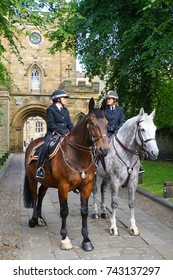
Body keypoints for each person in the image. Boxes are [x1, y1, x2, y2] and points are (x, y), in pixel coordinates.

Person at [36, 89, 74, 179]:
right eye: (64, 98)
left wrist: (74, 132)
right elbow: (51, 124)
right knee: (45, 146)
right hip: (53, 133)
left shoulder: (65, 110)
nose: (66, 99)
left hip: (65, 134)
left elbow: (69, 124)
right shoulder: (50, 109)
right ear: (58, 99)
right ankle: (40, 168)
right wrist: (62, 132)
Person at [105, 90, 144, 173]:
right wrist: (110, 129)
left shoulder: (120, 110)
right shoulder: (104, 110)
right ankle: (97, 163)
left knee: (129, 145)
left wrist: (118, 129)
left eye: (109, 98)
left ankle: (137, 165)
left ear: (114, 100)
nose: (107, 100)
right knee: (103, 147)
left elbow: (122, 121)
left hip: (118, 133)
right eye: (107, 99)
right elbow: (103, 122)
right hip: (107, 133)